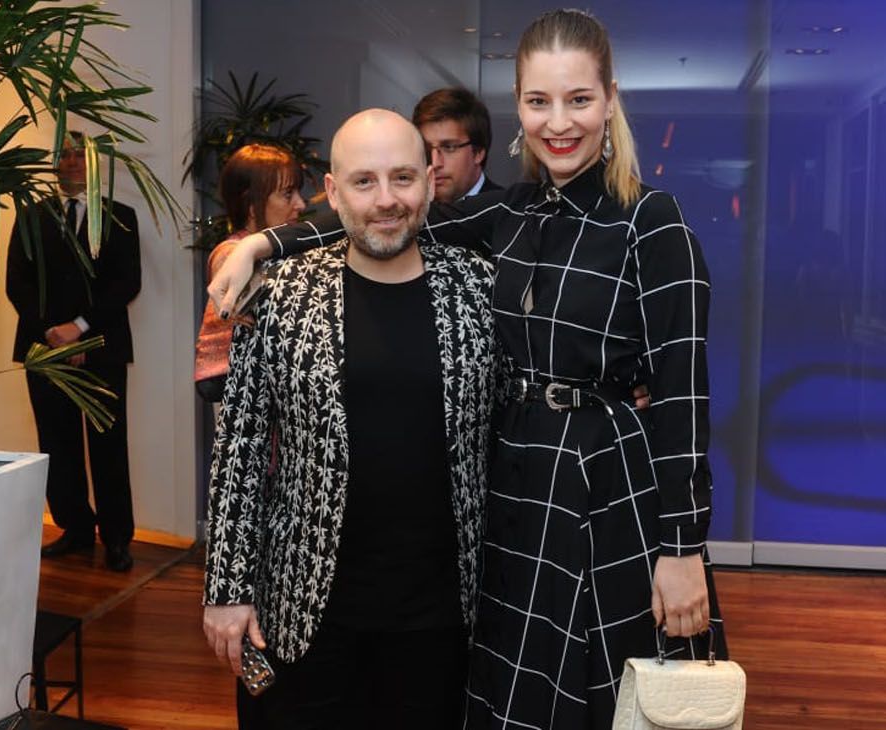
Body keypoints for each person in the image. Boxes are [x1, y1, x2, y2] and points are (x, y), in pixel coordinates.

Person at [209, 9, 726, 727]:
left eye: (578, 99)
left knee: (607, 698)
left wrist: (682, 549)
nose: (559, 122)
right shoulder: (509, 216)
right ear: (517, 106)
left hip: (602, 494)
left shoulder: (652, 222)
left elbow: (682, 400)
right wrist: (263, 243)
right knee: (511, 698)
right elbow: (382, 214)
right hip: (511, 508)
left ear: (610, 100)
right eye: (539, 101)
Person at [202, 109, 499, 729]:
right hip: (303, 610)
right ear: (333, 193)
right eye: (364, 182)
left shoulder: (480, 289)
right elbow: (240, 445)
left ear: (429, 180)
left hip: (441, 621)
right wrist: (228, 588)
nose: (386, 200)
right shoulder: (280, 293)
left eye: (402, 178)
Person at [6, 131, 142, 573]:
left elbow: (126, 284)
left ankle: (117, 538)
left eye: (77, 155)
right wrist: (52, 334)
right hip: (45, 351)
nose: (69, 163)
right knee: (57, 444)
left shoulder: (121, 218)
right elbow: (17, 284)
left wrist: (80, 332)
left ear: (94, 163)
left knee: (108, 446)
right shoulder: (30, 218)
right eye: (62, 155)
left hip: (101, 349)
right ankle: (75, 528)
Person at [194, 144, 307, 402]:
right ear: (252, 204)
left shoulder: (281, 252)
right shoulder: (231, 254)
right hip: (241, 398)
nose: (300, 204)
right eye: (287, 194)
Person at [412, 87, 501, 203]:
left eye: (449, 147)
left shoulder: (507, 214)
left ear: (478, 152)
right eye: (426, 149)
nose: (434, 163)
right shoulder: (412, 212)